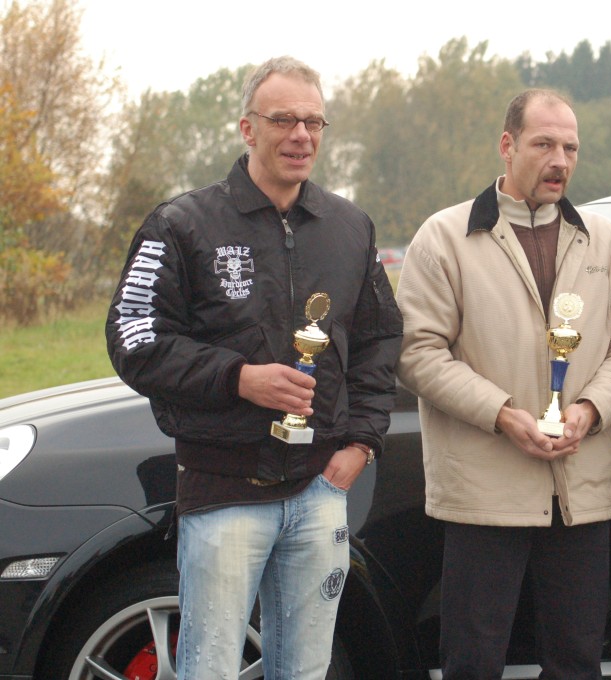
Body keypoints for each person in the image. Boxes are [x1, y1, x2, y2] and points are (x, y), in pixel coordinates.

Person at [106, 56, 402, 679]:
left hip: (320, 489)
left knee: (305, 670)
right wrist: (238, 378)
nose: (301, 136)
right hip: (223, 491)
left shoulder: (350, 227)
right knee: (210, 668)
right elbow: (134, 339)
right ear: (248, 128)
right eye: (283, 120)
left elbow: (380, 340)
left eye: (314, 122)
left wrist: (361, 443)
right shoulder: (181, 223)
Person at [395, 88, 611, 678]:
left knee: (577, 661)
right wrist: (503, 414)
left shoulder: (606, 240)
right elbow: (417, 352)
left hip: (580, 492)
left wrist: (591, 408)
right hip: (484, 495)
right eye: (544, 145)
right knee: (473, 662)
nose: (560, 161)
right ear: (507, 146)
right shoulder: (444, 237)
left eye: (570, 148)